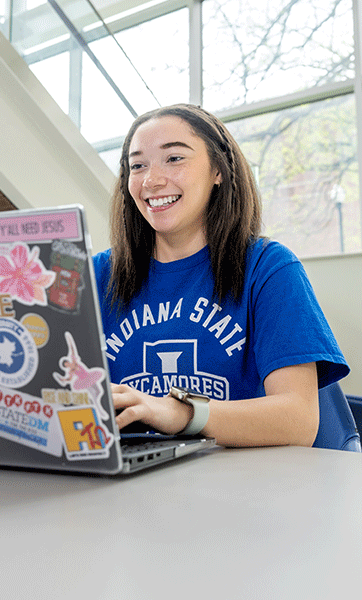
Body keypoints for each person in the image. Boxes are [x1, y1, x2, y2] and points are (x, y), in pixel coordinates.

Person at [93, 103, 349, 447]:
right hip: (122, 484)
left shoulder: (268, 268)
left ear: (218, 170)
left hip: (240, 487)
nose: (152, 180)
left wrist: (181, 413)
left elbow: (299, 420)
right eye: (137, 165)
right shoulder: (95, 276)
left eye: (174, 158)